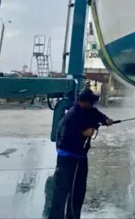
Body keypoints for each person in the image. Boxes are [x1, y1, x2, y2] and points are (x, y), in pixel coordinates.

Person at [48, 88, 113, 219]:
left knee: (78, 191)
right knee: (63, 190)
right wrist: (83, 133)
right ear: (82, 102)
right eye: (90, 102)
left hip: (81, 156)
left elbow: (98, 115)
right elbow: (65, 135)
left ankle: (73, 217)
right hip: (68, 158)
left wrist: (106, 120)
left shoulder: (89, 110)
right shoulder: (72, 115)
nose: (92, 104)